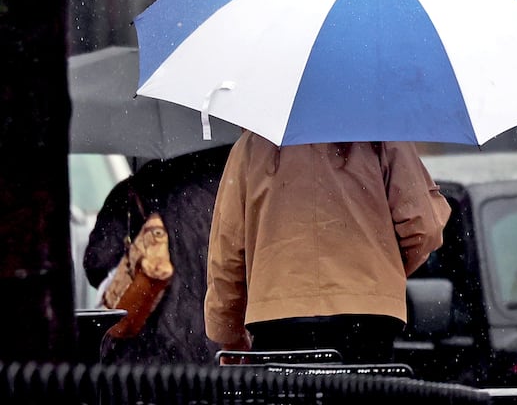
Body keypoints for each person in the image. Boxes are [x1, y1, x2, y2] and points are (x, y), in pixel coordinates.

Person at [205, 132, 451, 363]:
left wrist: (230, 334)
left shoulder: (253, 144)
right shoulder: (382, 136)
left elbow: (228, 252)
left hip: (278, 317)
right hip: (367, 320)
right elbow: (424, 227)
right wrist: (382, 273)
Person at [84, 145, 233, 365]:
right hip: (214, 347)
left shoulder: (137, 188)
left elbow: (96, 262)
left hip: (147, 354)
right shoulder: (230, 187)